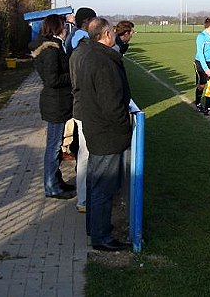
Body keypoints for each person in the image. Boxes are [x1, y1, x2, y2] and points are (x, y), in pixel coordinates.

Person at [69, 17, 132, 251]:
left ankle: (94, 229)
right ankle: (101, 237)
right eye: (113, 32)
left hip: (96, 129)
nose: (116, 35)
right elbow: (112, 104)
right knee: (103, 188)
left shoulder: (88, 55)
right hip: (106, 134)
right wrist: (125, 127)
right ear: (106, 34)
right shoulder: (103, 62)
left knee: (97, 185)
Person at [28, 14, 76, 199]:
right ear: (57, 28)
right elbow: (52, 79)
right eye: (63, 27)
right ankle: (51, 187)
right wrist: (73, 76)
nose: (65, 30)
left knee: (55, 145)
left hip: (57, 103)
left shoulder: (52, 46)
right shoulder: (50, 50)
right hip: (55, 103)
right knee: (54, 147)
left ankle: (57, 181)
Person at [66, 7, 96, 213]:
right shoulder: (81, 40)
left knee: (84, 151)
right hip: (84, 104)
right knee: (86, 153)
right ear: (87, 22)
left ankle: (85, 197)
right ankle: (84, 199)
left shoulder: (73, 38)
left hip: (79, 103)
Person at [194, 17, 210, 115]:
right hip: (201, 63)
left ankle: (207, 108)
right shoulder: (201, 36)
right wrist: (206, 68)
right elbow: (200, 53)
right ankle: (198, 103)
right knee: (202, 85)